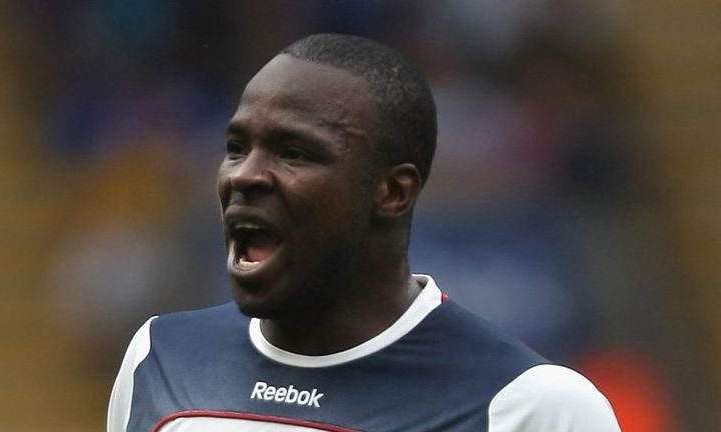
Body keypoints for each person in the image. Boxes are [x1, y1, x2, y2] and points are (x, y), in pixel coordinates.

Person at [107, 33, 621, 432]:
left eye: (295, 153)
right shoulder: (159, 358)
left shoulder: (529, 405)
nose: (244, 176)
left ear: (392, 192)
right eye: (237, 148)